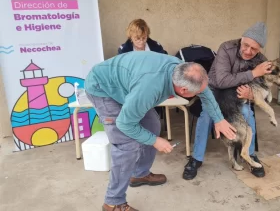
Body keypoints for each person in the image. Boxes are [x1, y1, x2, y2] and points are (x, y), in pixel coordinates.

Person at [84, 51, 237, 211]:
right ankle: (112, 202)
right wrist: (155, 141)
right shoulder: (149, 88)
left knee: (152, 126)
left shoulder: (184, 71)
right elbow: (125, 124)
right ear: (183, 91)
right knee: (126, 146)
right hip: (103, 88)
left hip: (129, 87)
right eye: (196, 93)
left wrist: (219, 119)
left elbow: (205, 92)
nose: (201, 93)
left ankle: (139, 174)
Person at [183, 22, 273, 180]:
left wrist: (251, 94)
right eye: (246, 45)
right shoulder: (226, 48)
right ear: (241, 39)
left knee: (247, 112)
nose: (248, 51)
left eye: (254, 49)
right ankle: (196, 158)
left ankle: (250, 156)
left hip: (235, 95)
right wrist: (252, 73)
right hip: (214, 90)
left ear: (260, 49)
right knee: (207, 114)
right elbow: (222, 81)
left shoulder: (261, 60)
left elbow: (265, 87)